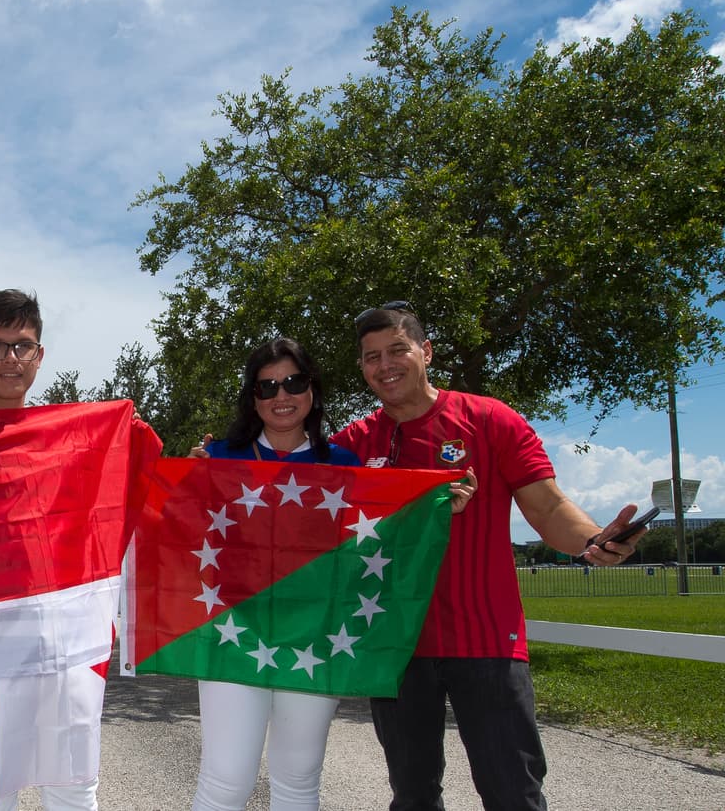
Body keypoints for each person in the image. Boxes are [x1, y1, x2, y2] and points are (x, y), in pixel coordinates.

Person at [331, 303, 646, 811]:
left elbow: (547, 507)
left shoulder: (489, 418)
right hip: (394, 644)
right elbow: (293, 501)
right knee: (412, 795)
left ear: (425, 352)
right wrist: (215, 464)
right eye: (371, 357)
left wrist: (593, 541)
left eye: (397, 350)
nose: (384, 365)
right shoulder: (353, 443)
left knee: (512, 792)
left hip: (487, 639)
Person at [184, 338, 357, 811]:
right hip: (233, 636)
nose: (281, 396)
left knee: (298, 778)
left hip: (315, 639)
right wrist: (183, 482)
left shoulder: (344, 465)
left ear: (313, 391)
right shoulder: (216, 458)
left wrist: (441, 501)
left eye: (294, 383)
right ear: (253, 398)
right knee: (225, 777)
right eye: (268, 387)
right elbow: (174, 532)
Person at [0, 289, 98, 811]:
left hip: (64, 645)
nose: (10, 359)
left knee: (74, 791)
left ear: (40, 356)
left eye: (23, 346)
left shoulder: (71, 436)